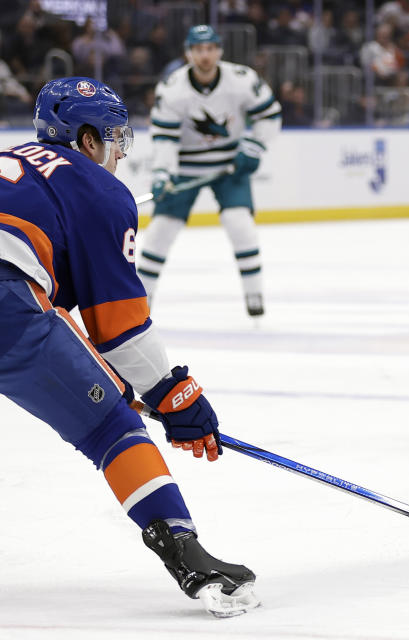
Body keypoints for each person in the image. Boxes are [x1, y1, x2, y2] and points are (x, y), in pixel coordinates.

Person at [0, 77, 258, 616]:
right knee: (111, 426)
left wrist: (115, 378)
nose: (118, 149)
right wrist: (172, 393)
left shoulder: (12, 158)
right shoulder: (96, 187)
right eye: (113, 136)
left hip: (16, 295)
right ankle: (185, 553)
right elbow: (118, 326)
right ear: (85, 139)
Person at [137, 24, 281, 317]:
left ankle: (255, 298)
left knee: (240, 224)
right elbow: (164, 137)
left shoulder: (242, 79)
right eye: (199, 49)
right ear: (189, 53)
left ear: (220, 51)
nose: (206, 55)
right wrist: (163, 172)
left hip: (229, 165)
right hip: (185, 165)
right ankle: (140, 302)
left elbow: (270, 115)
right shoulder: (172, 87)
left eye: (211, 48)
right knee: (160, 232)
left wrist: (253, 146)